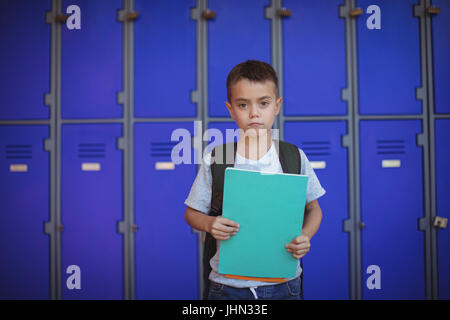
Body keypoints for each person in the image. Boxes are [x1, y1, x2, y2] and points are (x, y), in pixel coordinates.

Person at [184, 60, 326, 300]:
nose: (254, 113)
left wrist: (305, 236)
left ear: (277, 106)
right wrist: (210, 224)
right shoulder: (218, 158)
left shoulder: (293, 157)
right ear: (230, 109)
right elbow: (191, 213)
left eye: (264, 103)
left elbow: (313, 209)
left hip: (285, 286)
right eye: (243, 104)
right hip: (227, 287)